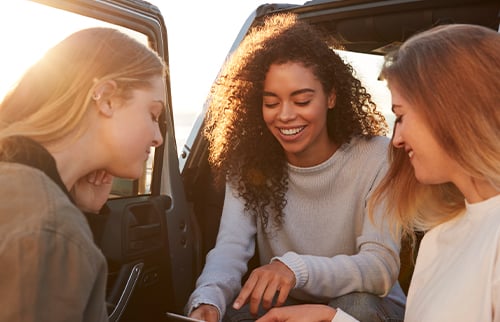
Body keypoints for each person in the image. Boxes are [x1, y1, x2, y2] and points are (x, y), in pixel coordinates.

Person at [255, 23, 500, 322]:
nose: (396, 139)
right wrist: (331, 318)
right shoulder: (440, 237)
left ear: (452, 114)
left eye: (401, 116)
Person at [186, 13, 406, 322]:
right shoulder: (249, 161)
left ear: (331, 97)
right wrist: (207, 300)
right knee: (232, 312)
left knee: (355, 304)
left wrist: (295, 269)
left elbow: (379, 268)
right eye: (272, 103)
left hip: (368, 307)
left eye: (302, 101)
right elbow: (230, 250)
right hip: (288, 303)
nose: (285, 116)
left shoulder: (376, 157)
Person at [0, 27, 166, 321]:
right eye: (153, 115)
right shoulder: (51, 227)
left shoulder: (21, 186)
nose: (158, 138)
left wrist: (82, 211)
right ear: (106, 98)